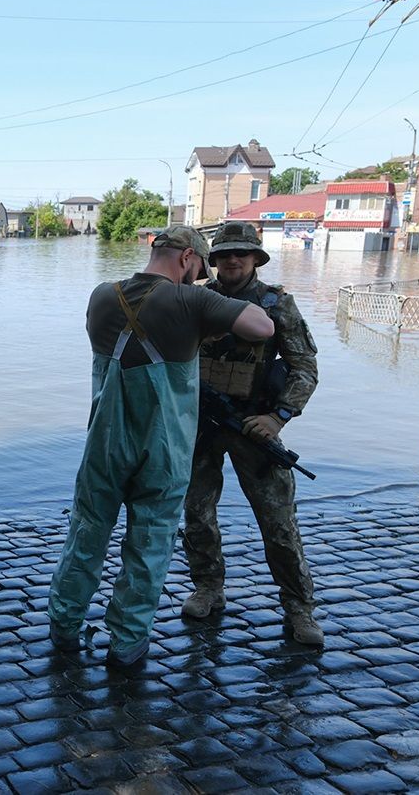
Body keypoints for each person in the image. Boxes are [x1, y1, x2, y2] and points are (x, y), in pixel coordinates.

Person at [48, 226, 275, 667]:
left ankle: (64, 624)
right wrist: (212, 305)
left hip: (105, 442)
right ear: (188, 258)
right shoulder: (192, 300)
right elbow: (262, 327)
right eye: (200, 267)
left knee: (87, 532)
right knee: (150, 541)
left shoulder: (100, 295)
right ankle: (127, 643)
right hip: (163, 445)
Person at [182, 222, 323, 646]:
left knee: (278, 523)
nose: (232, 260)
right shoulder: (193, 298)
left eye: (241, 253)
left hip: (253, 424)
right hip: (199, 425)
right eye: (224, 254)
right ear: (214, 259)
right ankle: (208, 587)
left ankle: (299, 608)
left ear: (256, 259)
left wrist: (278, 418)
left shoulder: (276, 304)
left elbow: (304, 368)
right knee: (197, 515)